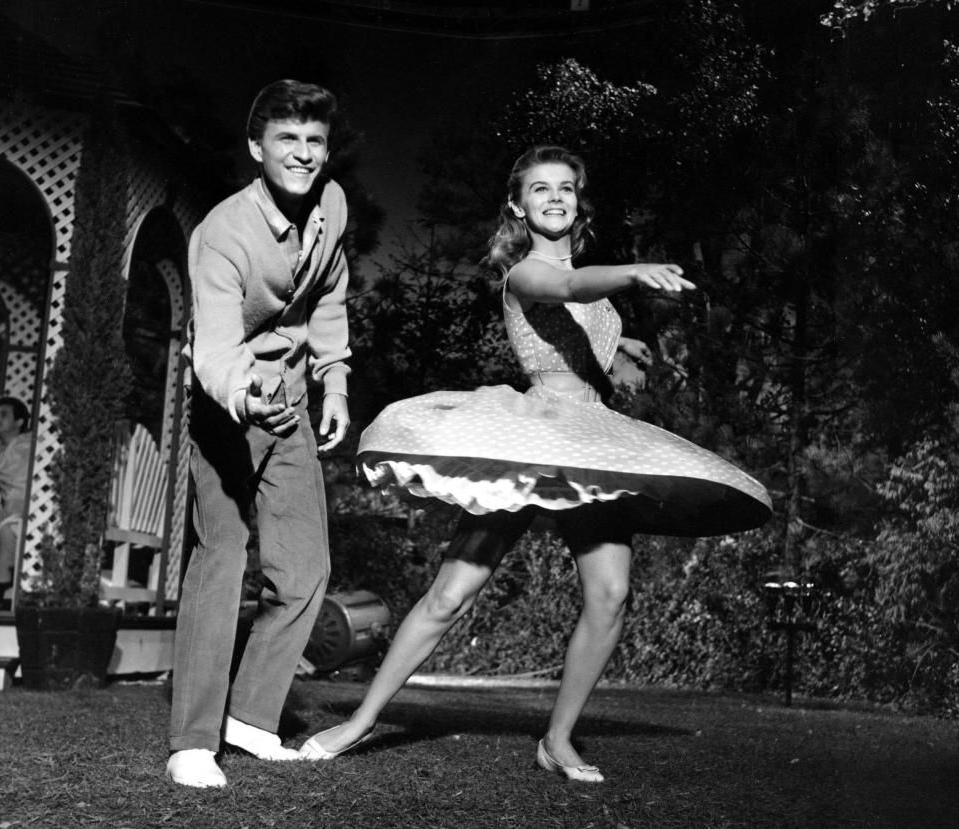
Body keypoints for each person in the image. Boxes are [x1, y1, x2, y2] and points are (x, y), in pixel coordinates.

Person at [298, 145, 772, 782]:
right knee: (451, 595)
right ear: (519, 206)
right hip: (531, 439)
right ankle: (360, 722)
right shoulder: (524, 271)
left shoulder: (599, 299)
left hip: (589, 444)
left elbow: (585, 318)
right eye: (540, 188)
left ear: (579, 202)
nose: (555, 197)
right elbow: (569, 286)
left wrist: (620, 346)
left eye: (567, 188)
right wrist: (635, 271)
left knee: (610, 593)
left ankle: (558, 739)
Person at [167, 79, 352, 788]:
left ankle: (251, 717)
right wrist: (244, 394)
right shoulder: (222, 233)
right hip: (229, 399)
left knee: (305, 570)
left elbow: (331, 293)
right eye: (288, 141)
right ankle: (192, 740)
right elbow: (211, 345)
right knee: (222, 553)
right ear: (256, 148)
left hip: (297, 396)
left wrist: (334, 383)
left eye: (315, 142)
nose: (304, 155)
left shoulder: (330, 205)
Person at [0, 395, 32, 607]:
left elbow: (6, 471)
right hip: (9, 512)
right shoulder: (4, 449)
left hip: (24, 513)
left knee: (7, 531)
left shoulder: (24, 447)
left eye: (3, 415)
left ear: (19, 422)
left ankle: (1, 591)